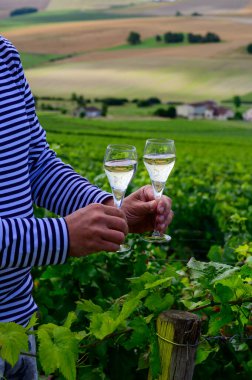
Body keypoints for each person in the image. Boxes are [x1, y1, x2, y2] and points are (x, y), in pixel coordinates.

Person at [0, 35, 173, 379]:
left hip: (19, 330)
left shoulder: (4, 57)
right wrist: (60, 236)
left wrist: (109, 208)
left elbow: (36, 165)